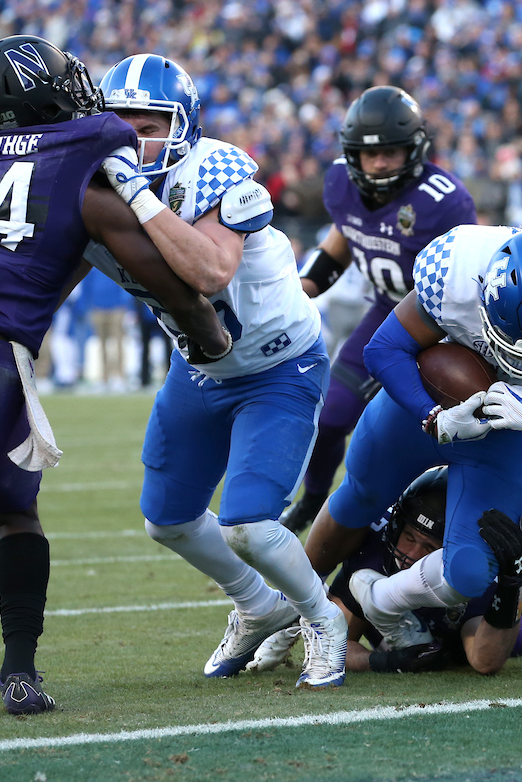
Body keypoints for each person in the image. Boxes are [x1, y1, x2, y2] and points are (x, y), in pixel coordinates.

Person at [0, 35, 230, 714]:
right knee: (18, 520)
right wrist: (211, 337)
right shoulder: (88, 161)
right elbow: (168, 282)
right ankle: (20, 673)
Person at [93, 53, 347, 688]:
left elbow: (209, 272)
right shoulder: (95, 185)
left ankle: (320, 618)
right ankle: (259, 606)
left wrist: (134, 194)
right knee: (167, 519)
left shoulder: (218, 167)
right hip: (200, 369)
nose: (134, 135)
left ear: (181, 123)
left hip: (277, 366)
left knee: (253, 527)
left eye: (148, 121)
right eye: (120, 121)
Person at [302, 225, 522, 652]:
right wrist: (432, 415)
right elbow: (382, 349)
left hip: (510, 430)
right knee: (357, 497)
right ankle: (285, 610)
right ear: (483, 297)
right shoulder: (456, 268)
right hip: (426, 401)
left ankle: (382, 602)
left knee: (470, 572)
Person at [279, 86, 477, 534]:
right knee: (328, 419)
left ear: (414, 149)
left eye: (391, 152)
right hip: (385, 314)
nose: (381, 163)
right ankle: (313, 500)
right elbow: (342, 241)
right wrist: (300, 288)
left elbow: (471, 279)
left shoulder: (444, 200)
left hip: (444, 329)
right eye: (371, 155)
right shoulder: (339, 184)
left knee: (411, 439)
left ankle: (408, 523)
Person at [249, 467, 522, 676]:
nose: (410, 554)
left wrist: (510, 588)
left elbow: (485, 659)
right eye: (410, 536)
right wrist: (385, 661)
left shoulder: (474, 572)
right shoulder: (373, 548)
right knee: (509, 541)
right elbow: (335, 642)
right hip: (404, 631)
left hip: (494, 626)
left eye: (429, 548)